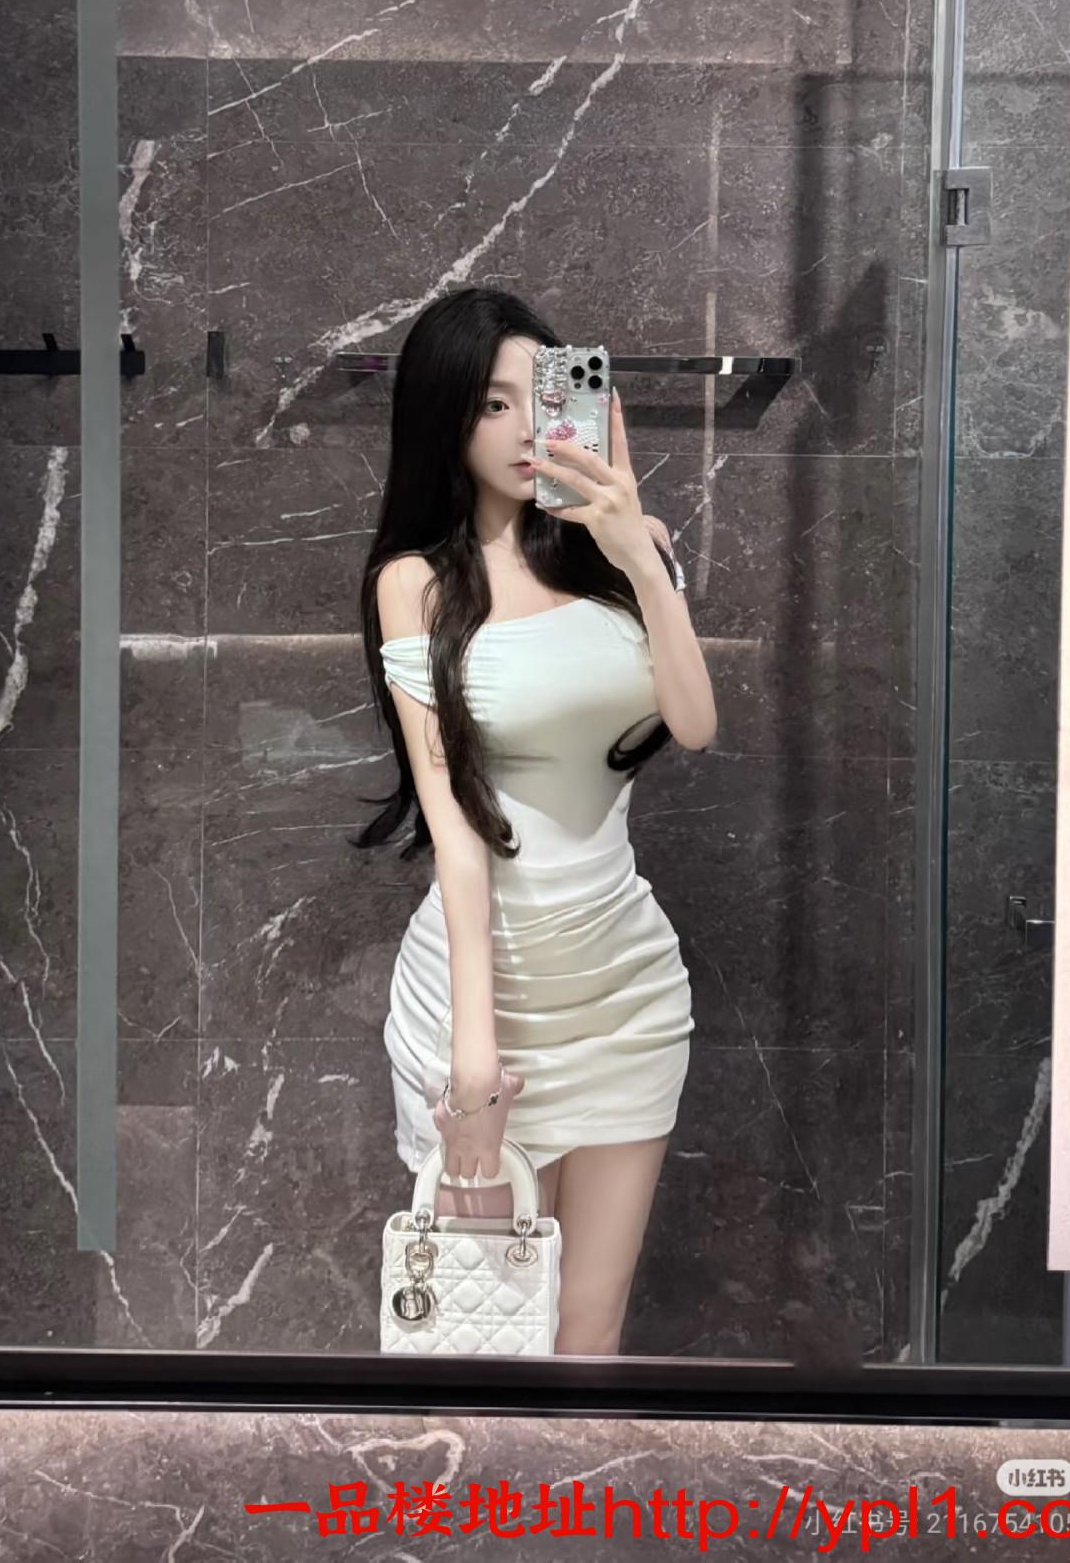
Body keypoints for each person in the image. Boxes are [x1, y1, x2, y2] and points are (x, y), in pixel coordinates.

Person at [352, 286, 718, 1355]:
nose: (522, 430)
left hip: (625, 993)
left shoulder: (629, 555)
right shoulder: (415, 584)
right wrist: (474, 1053)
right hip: (486, 996)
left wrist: (638, 546)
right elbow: (456, 828)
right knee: (488, 1334)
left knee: (590, 1327)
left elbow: (695, 723)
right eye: (491, 404)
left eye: (539, 397)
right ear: (445, 418)